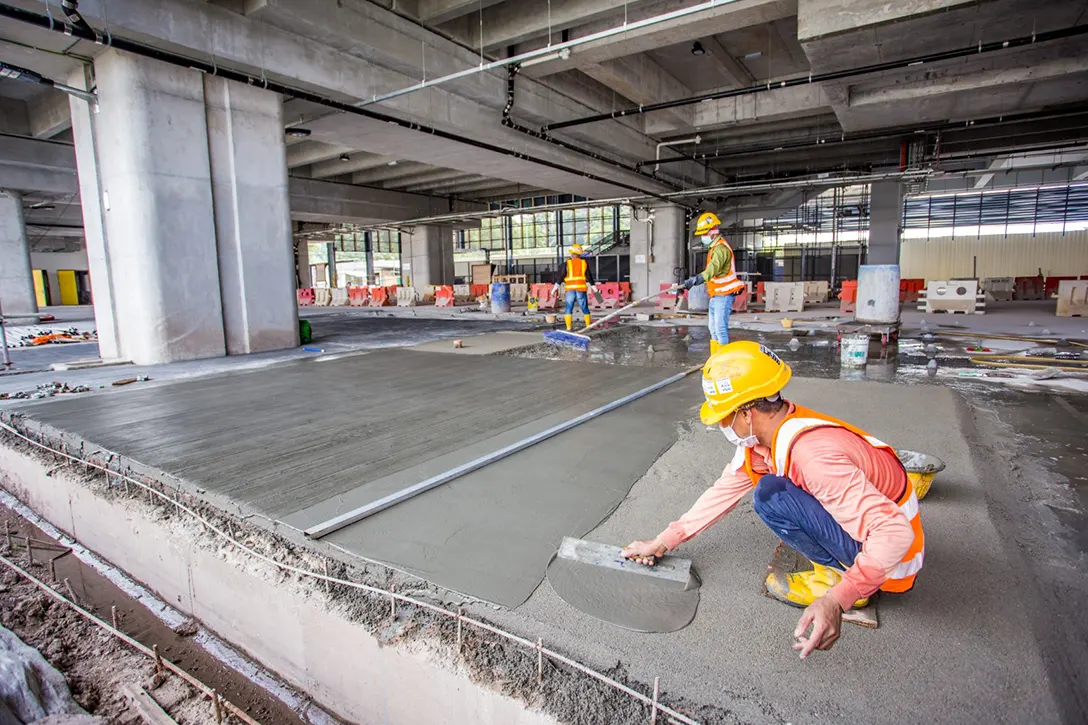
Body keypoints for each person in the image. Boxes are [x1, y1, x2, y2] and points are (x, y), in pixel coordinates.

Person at [622, 341, 924, 659]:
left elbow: (894, 534)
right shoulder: (777, 430)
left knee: (771, 497)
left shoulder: (813, 458)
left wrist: (839, 598)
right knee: (771, 486)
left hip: (893, 562)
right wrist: (663, 541)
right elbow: (724, 490)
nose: (723, 426)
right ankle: (844, 566)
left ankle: (839, 577)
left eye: (724, 418)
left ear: (746, 413)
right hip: (880, 525)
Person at [681, 212, 745, 355]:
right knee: (713, 328)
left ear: (713, 231)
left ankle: (722, 362)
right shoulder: (715, 248)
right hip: (716, 295)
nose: (702, 237)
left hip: (724, 295)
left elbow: (712, 270)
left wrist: (695, 280)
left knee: (720, 328)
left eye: (704, 233)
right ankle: (715, 358)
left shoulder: (721, 249)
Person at [555, 244, 596, 331]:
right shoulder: (583, 263)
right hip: (581, 289)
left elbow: (561, 276)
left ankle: (569, 327)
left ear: (571, 254)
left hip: (570, 290)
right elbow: (589, 277)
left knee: (569, 308)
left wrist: (555, 288)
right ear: (579, 254)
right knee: (584, 307)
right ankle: (588, 326)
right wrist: (594, 288)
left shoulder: (567, 263)